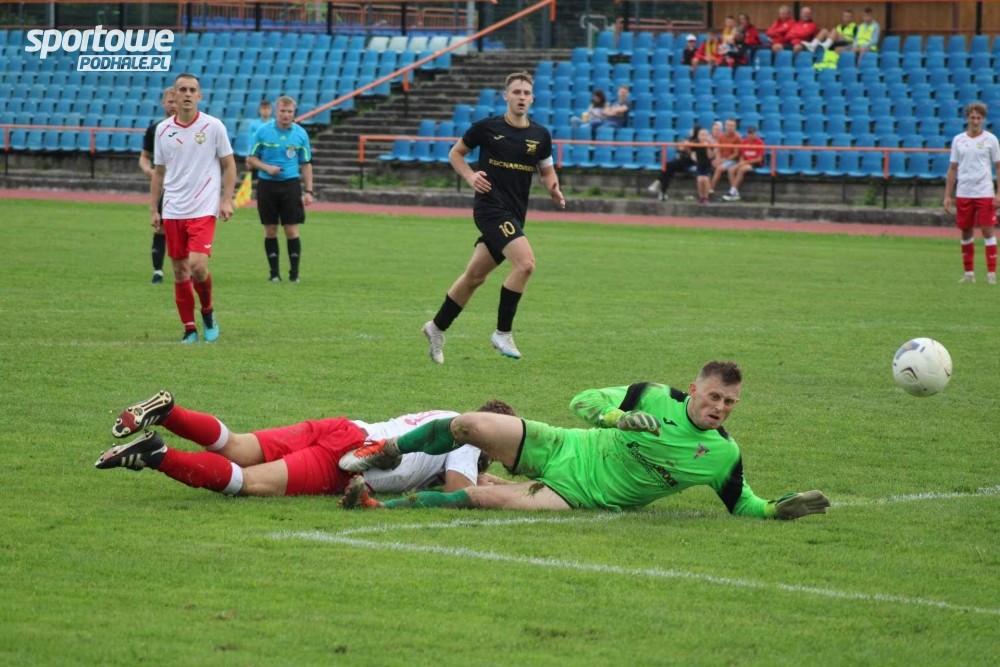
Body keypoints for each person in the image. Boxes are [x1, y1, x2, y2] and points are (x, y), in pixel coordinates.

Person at [339, 360, 831, 520]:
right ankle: (388, 450)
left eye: (730, 403)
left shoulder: (723, 455)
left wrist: (775, 509)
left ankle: (379, 506)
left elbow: (742, 503)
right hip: (564, 445)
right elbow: (582, 400)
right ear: (695, 389)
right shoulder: (653, 396)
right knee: (470, 424)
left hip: (576, 493)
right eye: (715, 397)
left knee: (481, 497)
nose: (720, 407)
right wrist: (618, 418)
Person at [95, 388, 516, 497]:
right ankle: (157, 454)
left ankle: (169, 411)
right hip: (348, 460)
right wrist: (511, 486)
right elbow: (461, 493)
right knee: (247, 482)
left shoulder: (448, 415)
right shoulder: (469, 442)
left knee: (237, 446)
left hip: (344, 428)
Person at [421, 72, 565, 364]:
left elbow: (547, 170)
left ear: (533, 98)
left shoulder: (540, 135)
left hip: (515, 213)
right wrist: (470, 176)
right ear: (506, 96)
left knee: (474, 277)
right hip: (489, 209)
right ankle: (503, 332)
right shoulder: (487, 128)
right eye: (516, 92)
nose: (522, 97)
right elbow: (456, 154)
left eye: (526, 92)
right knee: (525, 264)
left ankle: (436, 327)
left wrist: (554, 188)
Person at [150, 72, 236, 344]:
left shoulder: (213, 126)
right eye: (182, 90)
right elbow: (158, 173)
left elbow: (229, 165)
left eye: (192, 90)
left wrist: (226, 199)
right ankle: (189, 328)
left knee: (198, 266)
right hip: (173, 209)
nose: (187, 94)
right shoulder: (162, 130)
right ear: (173, 96)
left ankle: (207, 312)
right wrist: (154, 209)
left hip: (203, 208)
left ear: (200, 96)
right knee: (179, 272)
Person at [246, 95, 314, 283]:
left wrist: (309, 191)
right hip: (267, 185)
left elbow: (306, 164)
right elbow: (251, 158)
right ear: (276, 112)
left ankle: (294, 274)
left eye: (289, 111)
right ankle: (274, 274)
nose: (286, 115)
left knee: (291, 229)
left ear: (294, 113)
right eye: (282, 111)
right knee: (270, 229)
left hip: (290, 185)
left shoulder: (301, 134)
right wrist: (267, 168)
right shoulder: (262, 131)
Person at [943, 102, 1000, 285]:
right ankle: (969, 274)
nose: (975, 121)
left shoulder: (991, 139)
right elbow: (953, 168)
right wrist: (947, 195)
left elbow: (998, 167)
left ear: (983, 119)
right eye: (972, 117)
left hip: (984, 192)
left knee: (987, 229)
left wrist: (998, 193)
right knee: (966, 231)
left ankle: (991, 274)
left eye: (978, 118)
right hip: (964, 192)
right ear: (967, 118)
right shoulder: (958, 140)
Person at [138, 86, 176, 285]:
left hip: (184, 187)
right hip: (163, 187)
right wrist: (148, 170)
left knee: (185, 229)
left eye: (176, 101)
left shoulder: (192, 129)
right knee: (160, 227)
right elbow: (144, 157)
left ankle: (189, 269)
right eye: (170, 101)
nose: (173, 105)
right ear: (163, 103)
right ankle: (158, 271)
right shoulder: (155, 129)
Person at [646, 123, 699, 201]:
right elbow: (679, 150)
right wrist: (681, 148)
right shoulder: (687, 139)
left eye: (692, 129)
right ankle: (662, 192)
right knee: (668, 169)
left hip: (689, 162)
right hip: (680, 160)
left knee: (668, 166)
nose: (690, 131)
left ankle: (658, 185)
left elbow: (694, 157)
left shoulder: (697, 142)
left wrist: (688, 148)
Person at [722, 126, 766, 202]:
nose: (750, 135)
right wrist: (741, 161)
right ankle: (735, 193)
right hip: (745, 162)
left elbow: (759, 159)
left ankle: (731, 192)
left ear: (755, 133)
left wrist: (745, 162)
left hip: (755, 163)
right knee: (731, 169)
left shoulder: (760, 142)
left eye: (752, 133)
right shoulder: (744, 142)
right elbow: (742, 155)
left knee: (742, 170)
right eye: (749, 133)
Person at [710, 119, 742, 194]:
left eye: (732, 125)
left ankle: (710, 188)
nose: (729, 127)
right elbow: (719, 150)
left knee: (719, 169)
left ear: (735, 127)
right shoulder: (722, 137)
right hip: (723, 158)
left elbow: (736, 154)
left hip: (733, 160)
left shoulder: (737, 138)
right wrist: (718, 159)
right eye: (728, 125)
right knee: (710, 165)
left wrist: (725, 160)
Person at [691, 128, 716, 204]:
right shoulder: (695, 144)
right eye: (701, 135)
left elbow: (710, 156)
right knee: (699, 179)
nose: (703, 136)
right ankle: (701, 197)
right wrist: (695, 159)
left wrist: (707, 147)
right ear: (698, 136)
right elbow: (692, 153)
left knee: (705, 179)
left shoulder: (709, 144)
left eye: (705, 135)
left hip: (707, 165)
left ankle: (706, 197)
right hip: (699, 165)